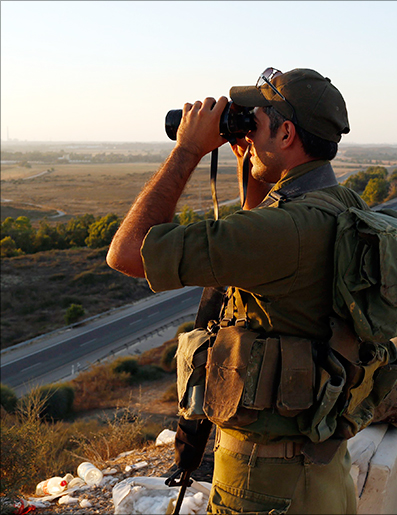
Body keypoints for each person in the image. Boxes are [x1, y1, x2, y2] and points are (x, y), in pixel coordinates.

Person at [107, 68, 372, 514]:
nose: (250, 127)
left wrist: (188, 149)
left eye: (259, 120)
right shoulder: (343, 207)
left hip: (264, 485)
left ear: (286, 132)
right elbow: (259, 246)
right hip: (324, 474)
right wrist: (250, 161)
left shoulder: (280, 232)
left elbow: (127, 253)